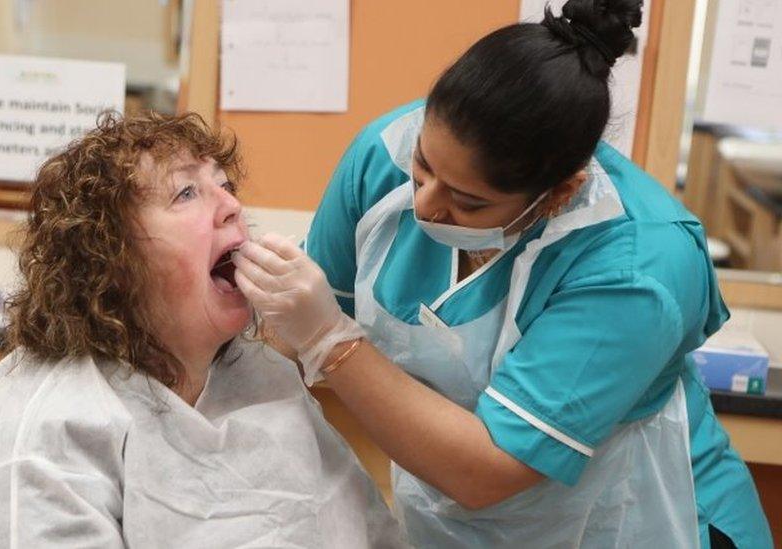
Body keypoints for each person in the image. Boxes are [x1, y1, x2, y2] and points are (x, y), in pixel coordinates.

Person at [233, 1, 773, 548]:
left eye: (468, 203)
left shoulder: (636, 264)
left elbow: (487, 469)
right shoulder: (383, 155)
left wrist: (331, 342)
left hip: (631, 519)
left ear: (560, 192)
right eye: (421, 166)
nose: (424, 205)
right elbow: (286, 331)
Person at [0, 112, 406, 548]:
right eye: (186, 194)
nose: (232, 206)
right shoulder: (46, 435)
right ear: (110, 258)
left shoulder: (262, 379)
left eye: (225, 186)